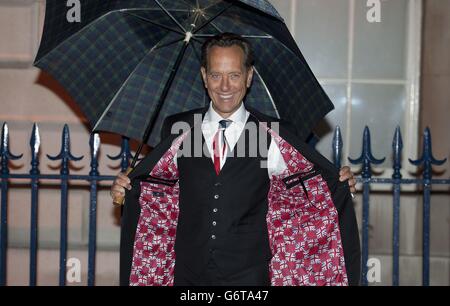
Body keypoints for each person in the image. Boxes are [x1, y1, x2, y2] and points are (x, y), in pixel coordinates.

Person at [111, 33, 360, 286]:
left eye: (234, 75)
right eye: (216, 75)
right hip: (188, 274)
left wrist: (339, 186)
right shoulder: (179, 128)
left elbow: (309, 191)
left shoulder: (272, 133)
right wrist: (127, 190)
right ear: (204, 76)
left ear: (249, 76)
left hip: (250, 276)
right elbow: (158, 193)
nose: (225, 86)